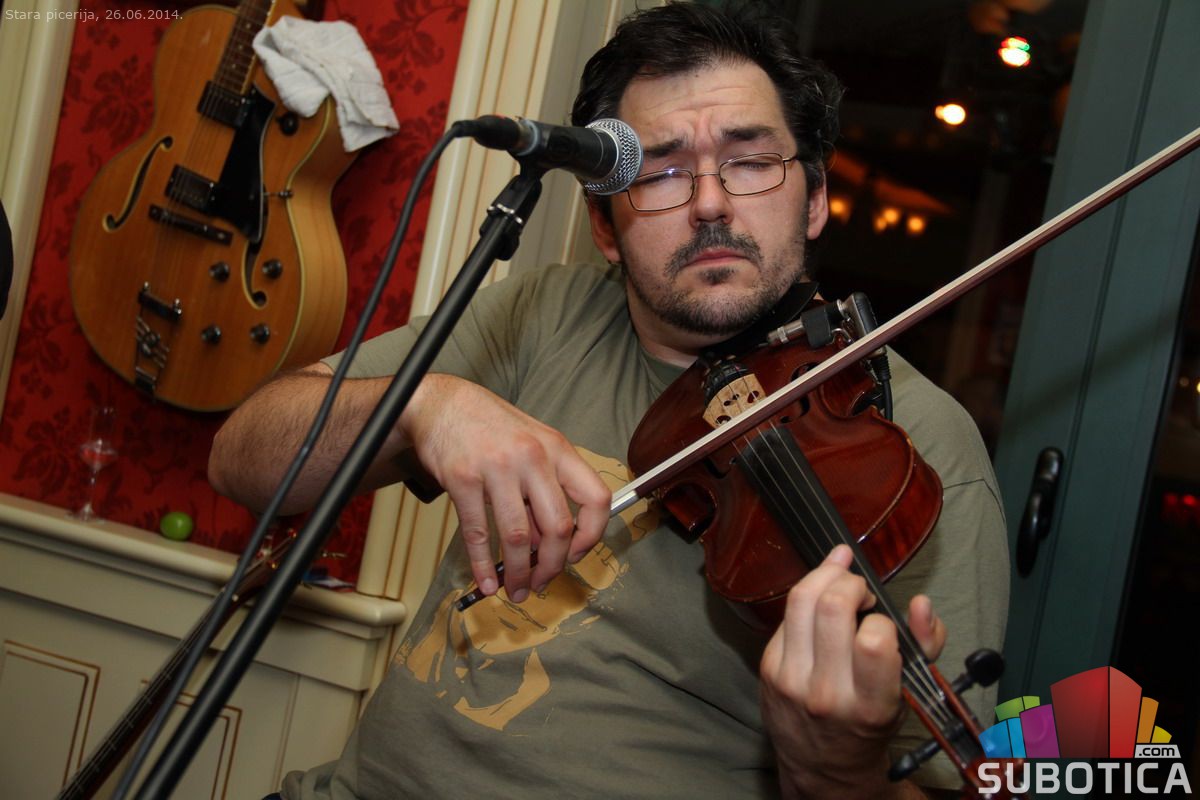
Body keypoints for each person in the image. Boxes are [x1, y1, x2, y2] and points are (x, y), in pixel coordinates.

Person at [209, 3, 1010, 798]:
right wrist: (425, 404)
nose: (709, 203)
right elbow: (242, 460)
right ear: (603, 224)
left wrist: (837, 769)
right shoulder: (544, 313)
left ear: (813, 198)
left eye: (750, 161)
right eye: (661, 172)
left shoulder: (916, 447)